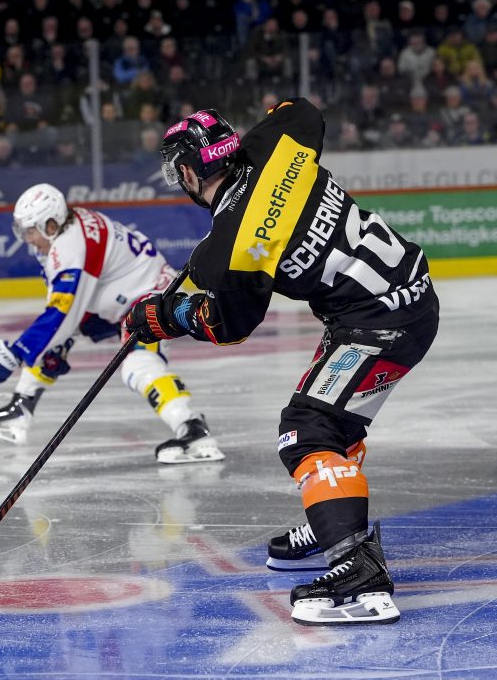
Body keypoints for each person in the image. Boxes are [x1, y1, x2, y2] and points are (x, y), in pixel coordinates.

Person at [124, 104, 439, 625]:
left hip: (376, 324)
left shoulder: (228, 248)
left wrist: (168, 315)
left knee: (308, 430)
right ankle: (331, 521)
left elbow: (230, 325)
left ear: (187, 173)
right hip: (405, 298)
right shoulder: (281, 143)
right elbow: (301, 111)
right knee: (334, 423)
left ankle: (359, 572)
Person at [0, 183, 224, 465]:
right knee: (53, 340)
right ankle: (21, 407)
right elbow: (62, 317)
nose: (27, 239)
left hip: (149, 298)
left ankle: (193, 430)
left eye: (30, 231)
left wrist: (16, 352)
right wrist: (37, 349)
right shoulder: (68, 229)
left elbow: (61, 315)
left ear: (50, 225)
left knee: (138, 366)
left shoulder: (71, 246)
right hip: (120, 297)